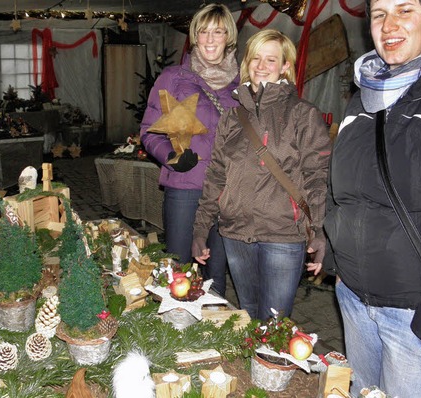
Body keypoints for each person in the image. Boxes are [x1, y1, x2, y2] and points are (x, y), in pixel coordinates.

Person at [323, 0, 421, 395]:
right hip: (355, 303)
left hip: (420, 319)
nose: (389, 25)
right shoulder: (365, 92)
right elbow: (342, 188)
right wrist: (337, 257)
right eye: (378, 14)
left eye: (405, 10)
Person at [192, 29, 330, 321]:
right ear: (247, 63)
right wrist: (200, 229)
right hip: (236, 233)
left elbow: (317, 177)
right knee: (250, 316)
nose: (261, 65)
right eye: (256, 58)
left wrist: (318, 231)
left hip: (282, 234)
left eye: (271, 59)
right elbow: (216, 175)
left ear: (284, 66)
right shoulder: (232, 116)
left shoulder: (302, 114)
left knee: (275, 323)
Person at [140, 3, 239, 296]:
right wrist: (171, 158)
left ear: (228, 37)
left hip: (226, 190)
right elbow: (148, 131)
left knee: (216, 273)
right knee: (179, 269)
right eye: (204, 32)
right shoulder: (174, 78)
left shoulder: (242, 83)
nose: (210, 39)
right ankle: (177, 332)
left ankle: (216, 331)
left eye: (217, 32)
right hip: (185, 187)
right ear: (194, 36)